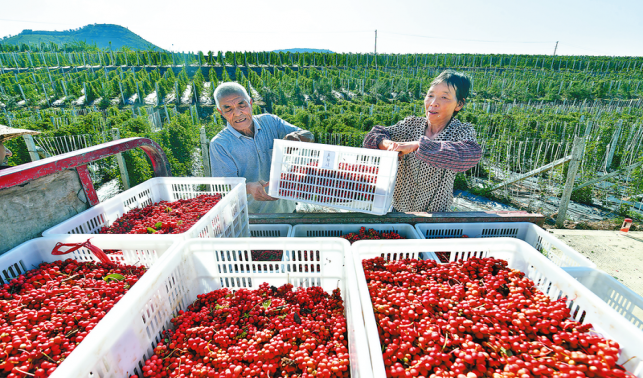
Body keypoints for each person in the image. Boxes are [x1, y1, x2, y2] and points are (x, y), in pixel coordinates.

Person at [363, 70, 482, 213]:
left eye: (444, 97)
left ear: (459, 105)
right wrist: (389, 145)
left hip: (436, 217)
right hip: (399, 211)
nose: (433, 103)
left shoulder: (460, 131)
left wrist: (419, 145)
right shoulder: (411, 125)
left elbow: (470, 154)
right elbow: (373, 136)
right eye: (430, 95)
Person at [209, 82, 313, 214]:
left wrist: (297, 137)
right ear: (220, 112)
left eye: (242, 105)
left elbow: (309, 135)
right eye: (228, 108)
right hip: (252, 218)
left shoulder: (271, 122)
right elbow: (224, 186)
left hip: (288, 210)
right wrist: (248, 188)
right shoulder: (220, 144)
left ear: (251, 103)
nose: (237, 113)